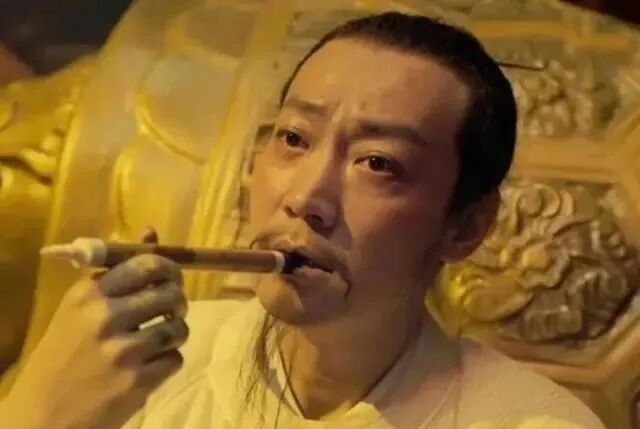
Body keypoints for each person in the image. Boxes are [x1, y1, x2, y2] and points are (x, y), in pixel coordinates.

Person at [0, 12, 606, 429]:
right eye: (293, 138)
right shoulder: (145, 363)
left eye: (377, 163)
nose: (307, 197)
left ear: (465, 226)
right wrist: (38, 412)